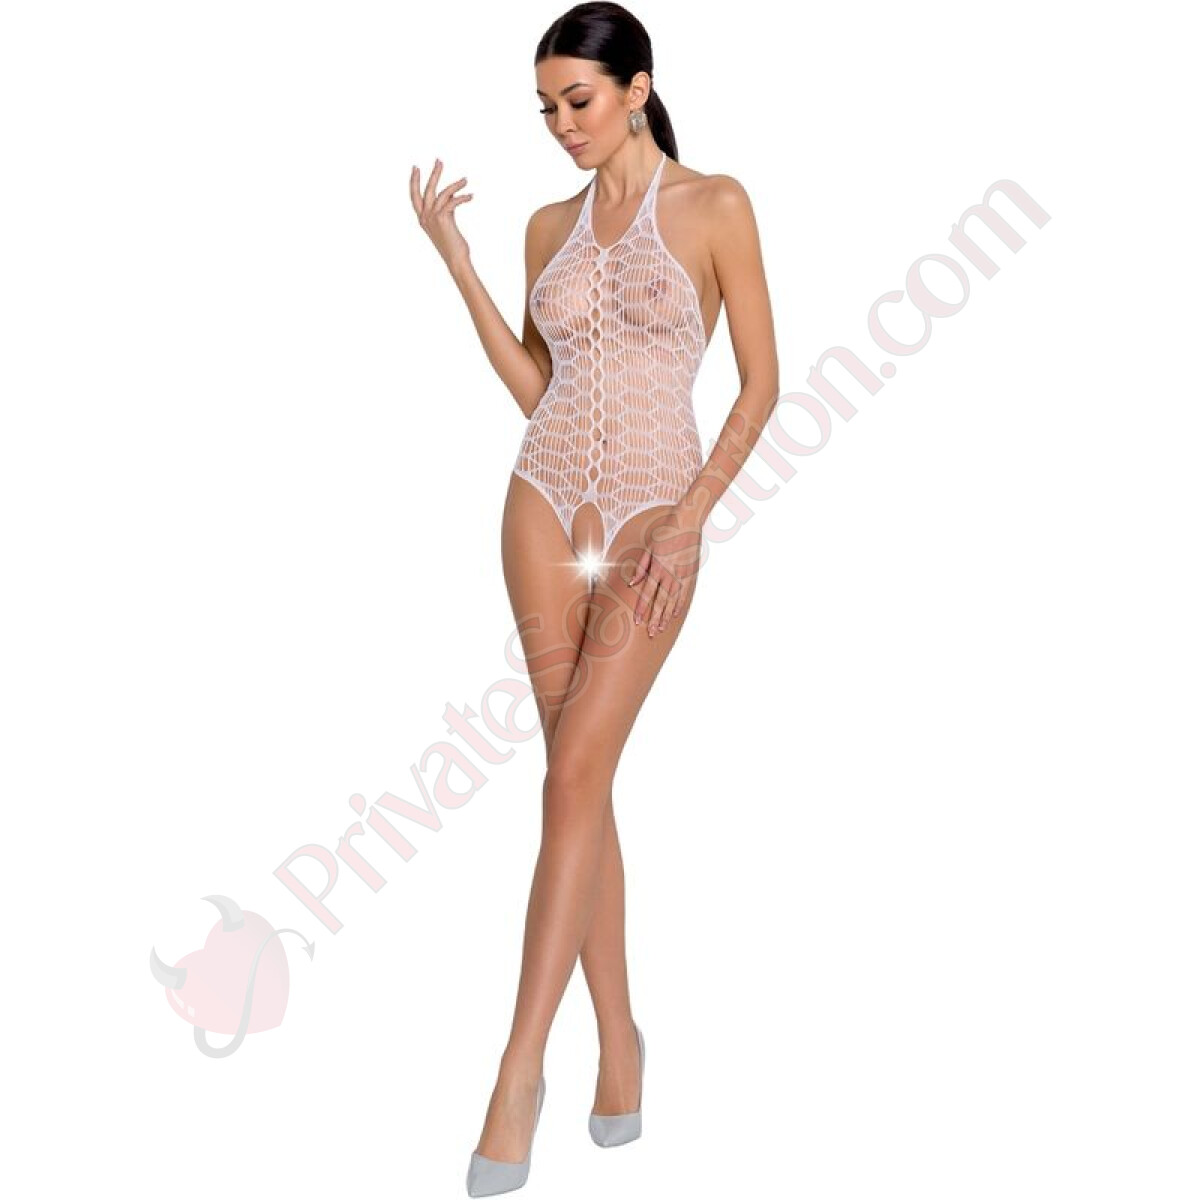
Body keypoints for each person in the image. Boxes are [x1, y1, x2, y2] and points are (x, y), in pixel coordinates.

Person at [411, 4, 779, 1193]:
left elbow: (761, 386)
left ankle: (518, 1069)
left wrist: (692, 514)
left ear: (637, 89)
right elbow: (539, 385)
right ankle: (619, 1044)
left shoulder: (715, 206)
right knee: (579, 776)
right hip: (540, 504)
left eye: (577, 100)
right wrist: (461, 267)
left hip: (655, 519)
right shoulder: (544, 228)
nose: (561, 125)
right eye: (546, 108)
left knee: (573, 775)